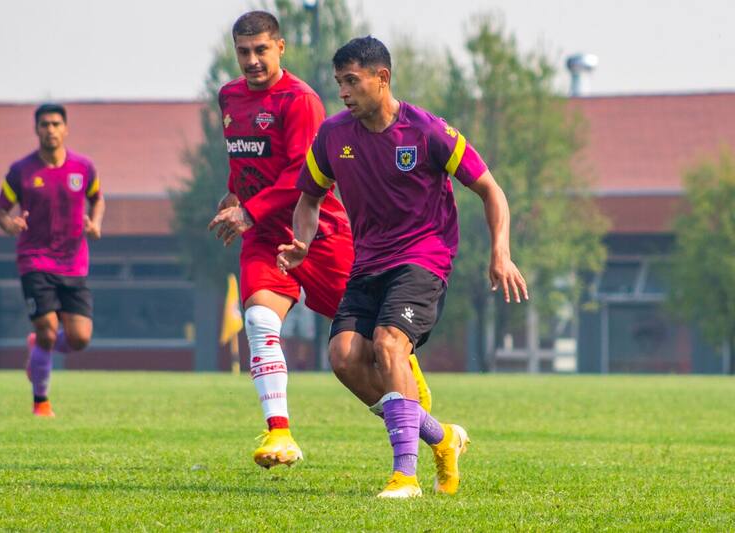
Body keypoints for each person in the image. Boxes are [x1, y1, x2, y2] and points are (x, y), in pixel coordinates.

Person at [278, 36, 528, 498]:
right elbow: (309, 199)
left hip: (423, 258)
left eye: (352, 81)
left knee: (389, 344)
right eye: (339, 83)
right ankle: (442, 437)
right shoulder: (333, 135)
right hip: (368, 263)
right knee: (344, 358)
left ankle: (405, 477)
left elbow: (491, 190)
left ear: (382, 78)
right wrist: (303, 243)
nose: (343, 92)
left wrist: (501, 251)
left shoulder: (427, 131)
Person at [207, 12, 433, 470]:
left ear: (280, 47)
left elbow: (300, 174)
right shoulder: (229, 96)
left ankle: (430, 427)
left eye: (261, 50)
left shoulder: (300, 99)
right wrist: (235, 195)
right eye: (243, 52)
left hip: (318, 235)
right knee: (259, 321)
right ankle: (279, 433)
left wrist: (250, 209)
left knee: (374, 347)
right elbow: (245, 162)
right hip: (263, 236)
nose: (252, 60)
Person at [0, 103, 104, 417]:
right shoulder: (21, 171)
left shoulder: (83, 168)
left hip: (74, 263)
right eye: (44, 124)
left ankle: (39, 346)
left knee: (80, 338)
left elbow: (98, 199)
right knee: (47, 329)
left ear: (66, 129)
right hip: (35, 260)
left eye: (56, 124)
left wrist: (95, 223)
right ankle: (40, 402)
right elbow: (0, 210)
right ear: (36, 129)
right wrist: (9, 225)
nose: (50, 129)